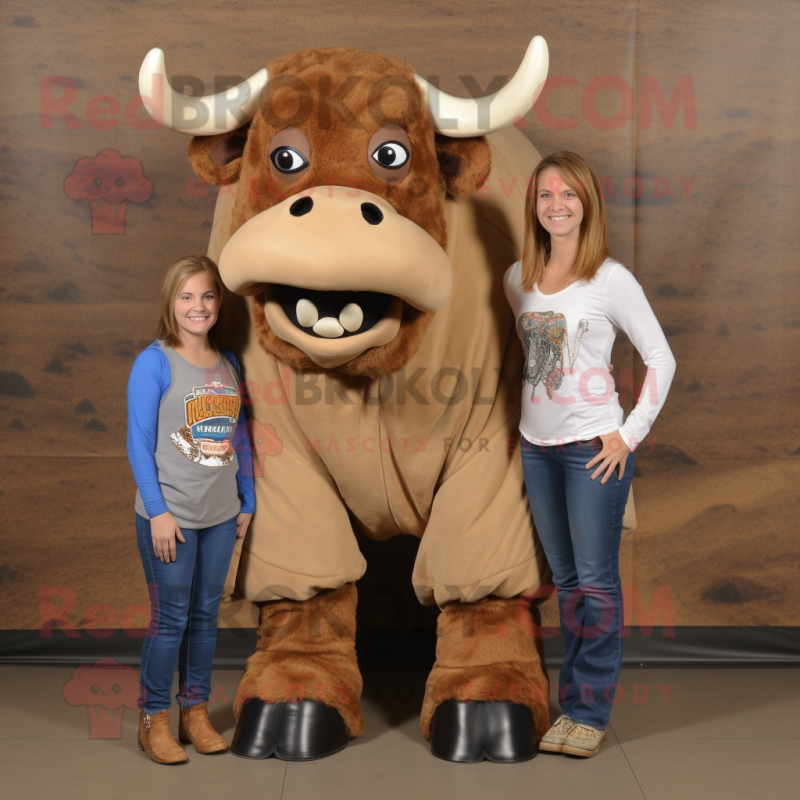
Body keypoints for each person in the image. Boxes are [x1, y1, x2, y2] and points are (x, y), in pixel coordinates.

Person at [504, 152, 676, 758]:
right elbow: (533, 366)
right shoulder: (517, 277)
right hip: (536, 450)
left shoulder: (610, 279)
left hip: (592, 452)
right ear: (535, 204)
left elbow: (661, 359)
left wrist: (627, 435)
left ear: (587, 204)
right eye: (546, 194)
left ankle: (589, 710)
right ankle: (571, 704)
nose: (557, 205)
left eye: (569, 195)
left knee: (598, 585)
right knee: (569, 583)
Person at [127, 255, 255, 764]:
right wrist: (157, 511)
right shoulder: (153, 362)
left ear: (219, 303)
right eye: (186, 297)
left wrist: (247, 497)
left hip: (221, 515)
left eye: (206, 296)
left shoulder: (229, 363)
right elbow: (139, 444)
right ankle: (153, 718)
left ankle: (194, 711)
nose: (196, 306)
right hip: (170, 518)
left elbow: (240, 435)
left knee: (205, 617)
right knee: (170, 620)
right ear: (171, 303)